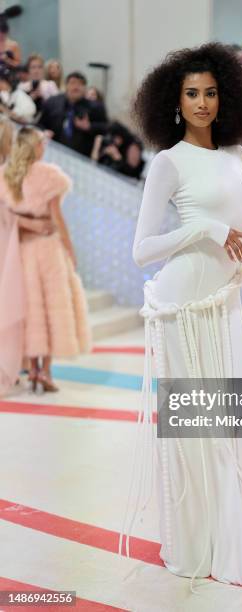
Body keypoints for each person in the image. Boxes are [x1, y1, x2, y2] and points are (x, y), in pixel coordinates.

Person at [118, 42, 242, 592]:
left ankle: (231, 550)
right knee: (192, 435)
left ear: (227, 96)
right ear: (175, 100)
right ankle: (191, 547)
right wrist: (205, 231)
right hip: (182, 308)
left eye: (211, 92)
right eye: (192, 93)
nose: (203, 103)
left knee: (232, 426)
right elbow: (143, 249)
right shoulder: (167, 162)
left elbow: (236, 216)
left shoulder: (235, 156)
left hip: (226, 304)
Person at [0, 127, 92, 393]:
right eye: (41, 143)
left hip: (22, 250)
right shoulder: (49, 176)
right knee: (52, 307)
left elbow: (7, 218)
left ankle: (32, 370)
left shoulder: (8, 178)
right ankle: (46, 372)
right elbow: (56, 219)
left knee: (29, 310)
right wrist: (70, 248)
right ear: (35, 147)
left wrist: (27, 224)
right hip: (49, 249)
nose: (44, 147)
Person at [0, 118, 55, 396]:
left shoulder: (9, 174)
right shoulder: (6, 175)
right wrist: (40, 226)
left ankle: (20, 366)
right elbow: (12, 216)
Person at [39, 71, 108, 157]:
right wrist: (44, 132)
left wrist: (89, 127)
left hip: (82, 156)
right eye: (72, 83)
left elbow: (106, 128)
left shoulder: (95, 107)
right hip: (54, 152)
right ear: (66, 86)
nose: (76, 87)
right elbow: (40, 124)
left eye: (80, 84)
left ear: (85, 88)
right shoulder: (52, 103)